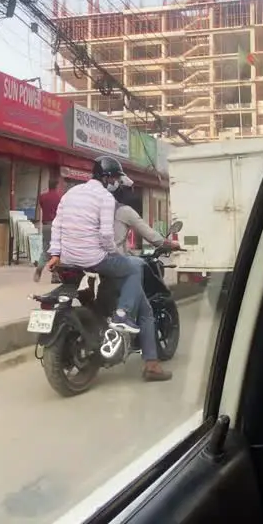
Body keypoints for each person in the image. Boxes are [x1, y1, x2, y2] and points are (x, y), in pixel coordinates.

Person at [46, 157, 171, 382]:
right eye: (115, 178)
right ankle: (124, 317)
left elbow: (56, 225)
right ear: (108, 178)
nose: (116, 183)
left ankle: (109, 326)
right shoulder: (105, 198)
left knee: (127, 273)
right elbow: (105, 234)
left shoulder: (70, 193)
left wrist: (55, 253)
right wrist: (112, 253)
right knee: (136, 267)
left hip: (68, 260)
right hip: (96, 259)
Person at [113, 176, 177, 256]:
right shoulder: (124, 211)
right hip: (116, 260)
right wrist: (170, 244)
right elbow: (151, 236)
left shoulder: (96, 208)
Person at [33, 177, 64, 282]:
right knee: (57, 251)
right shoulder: (59, 198)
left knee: (45, 249)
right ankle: (55, 276)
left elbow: (41, 206)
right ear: (56, 186)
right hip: (56, 226)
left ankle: (39, 269)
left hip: (45, 225)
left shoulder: (43, 197)